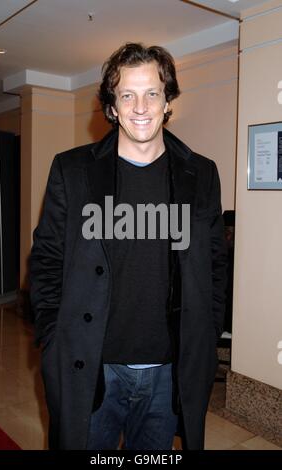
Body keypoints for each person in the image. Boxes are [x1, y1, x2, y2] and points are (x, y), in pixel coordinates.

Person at [30, 42, 227, 450]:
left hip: (168, 373)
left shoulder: (202, 174)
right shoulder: (72, 171)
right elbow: (46, 261)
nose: (141, 106)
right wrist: (53, 339)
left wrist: (205, 339)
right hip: (92, 367)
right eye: (127, 94)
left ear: (168, 101)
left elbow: (214, 266)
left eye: (152, 92)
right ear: (112, 107)